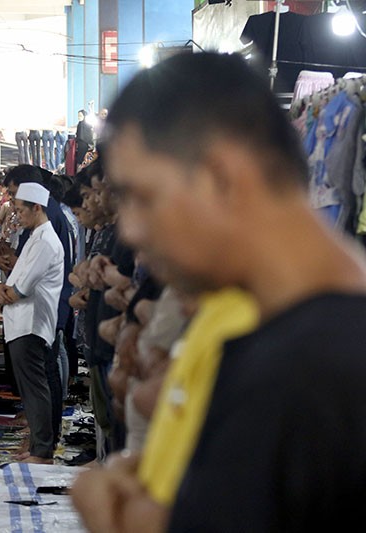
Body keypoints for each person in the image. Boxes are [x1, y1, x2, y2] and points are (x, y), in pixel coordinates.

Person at [71, 52, 366, 532]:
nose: (133, 231)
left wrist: (117, 517)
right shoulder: (250, 321)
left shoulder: (318, 368)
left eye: (144, 197)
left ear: (220, 177)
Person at [0, 182, 64, 464]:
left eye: (21, 210)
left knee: (36, 390)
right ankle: (38, 446)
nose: (18, 216)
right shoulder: (36, 238)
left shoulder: (45, 241)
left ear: (37, 208)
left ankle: (42, 450)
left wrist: (0, 290)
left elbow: (17, 291)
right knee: (31, 390)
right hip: (22, 323)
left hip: (31, 324)